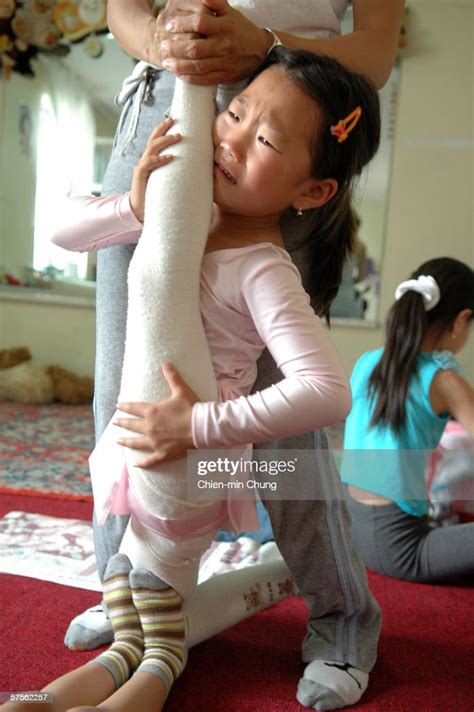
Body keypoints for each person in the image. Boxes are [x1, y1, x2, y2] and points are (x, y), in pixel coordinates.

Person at [3, 49, 383, 712]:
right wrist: (133, 203)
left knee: (157, 601)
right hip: (134, 452)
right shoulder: (182, 218)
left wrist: (200, 423)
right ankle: (110, 655)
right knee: (136, 582)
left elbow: (327, 390)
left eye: (263, 139)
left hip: (189, 461)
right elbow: (64, 231)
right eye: (233, 113)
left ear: (313, 190)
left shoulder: (264, 270)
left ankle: (166, 655)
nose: (230, 139)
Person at [342, 257, 474, 583]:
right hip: (401, 547)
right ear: (460, 321)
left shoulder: (367, 363)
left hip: (352, 525)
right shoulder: (444, 381)